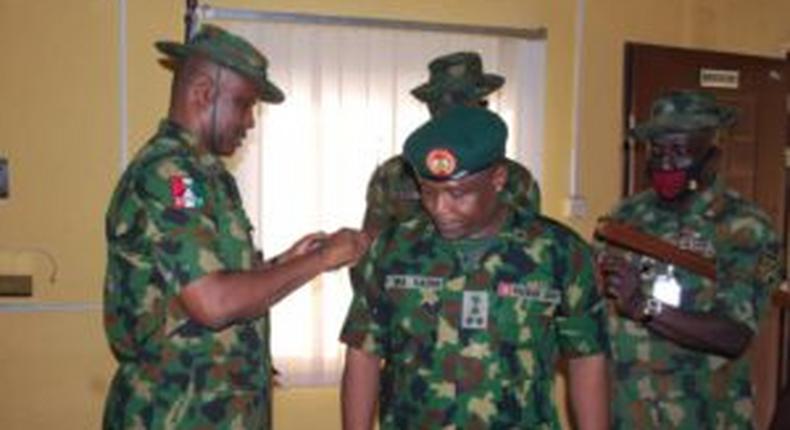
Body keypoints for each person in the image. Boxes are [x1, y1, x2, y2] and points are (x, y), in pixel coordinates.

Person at [102, 24, 369, 429]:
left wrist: (282, 262)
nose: (250, 122)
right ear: (204, 93)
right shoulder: (169, 175)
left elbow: (201, 286)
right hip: (175, 415)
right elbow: (214, 303)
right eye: (244, 105)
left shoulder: (207, 176)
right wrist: (321, 260)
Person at [341, 106, 609, 429]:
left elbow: (586, 358)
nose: (440, 208)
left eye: (457, 194)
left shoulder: (560, 252)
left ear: (497, 179)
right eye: (428, 192)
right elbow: (363, 354)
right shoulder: (393, 249)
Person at [595, 90, 784, 429]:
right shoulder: (625, 216)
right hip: (627, 416)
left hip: (705, 417)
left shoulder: (744, 227)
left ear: (712, 154)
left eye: (680, 151)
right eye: (657, 150)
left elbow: (734, 336)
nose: (665, 163)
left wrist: (642, 304)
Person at [361, 51, 541, 238]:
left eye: (463, 100)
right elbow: (371, 244)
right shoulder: (393, 174)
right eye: (442, 102)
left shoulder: (516, 179)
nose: (452, 111)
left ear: (482, 105)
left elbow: (534, 244)